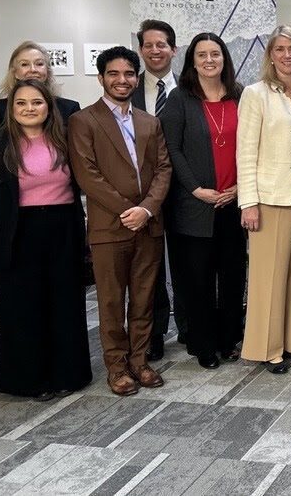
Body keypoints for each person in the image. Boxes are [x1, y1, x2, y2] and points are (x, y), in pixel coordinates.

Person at [0, 79, 92, 400]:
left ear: (49, 106)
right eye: (21, 103)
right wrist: (4, 216)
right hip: (17, 233)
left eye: (36, 102)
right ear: (11, 108)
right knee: (22, 309)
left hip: (63, 230)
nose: (29, 109)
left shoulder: (65, 139)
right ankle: (29, 380)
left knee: (65, 304)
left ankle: (68, 374)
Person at [68, 46, 172, 396]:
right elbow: (87, 175)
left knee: (143, 299)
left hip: (148, 225)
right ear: (101, 78)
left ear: (136, 78)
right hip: (110, 228)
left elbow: (163, 169)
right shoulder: (84, 121)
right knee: (112, 301)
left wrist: (147, 209)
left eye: (128, 74)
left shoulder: (149, 121)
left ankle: (139, 361)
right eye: (113, 73)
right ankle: (116, 366)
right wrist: (127, 210)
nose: (122, 80)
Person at [238, 25, 291, 373]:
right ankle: (268, 347)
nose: (288, 55)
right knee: (269, 270)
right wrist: (249, 202)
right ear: (270, 56)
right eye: (280, 49)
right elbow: (245, 151)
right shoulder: (255, 94)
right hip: (271, 189)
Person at [160, 33, 245, 370]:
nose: (209, 60)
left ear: (224, 58)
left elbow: (253, 143)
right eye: (202, 55)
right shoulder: (180, 99)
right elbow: (172, 148)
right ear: (191, 61)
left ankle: (229, 340)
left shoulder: (240, 95)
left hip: (234, 201)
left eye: (215, 54)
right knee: (197, 279)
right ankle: (203, 343)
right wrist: (196, 188)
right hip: (194, 205)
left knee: (233, 276)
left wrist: (240, 187)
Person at [131, 19, 183, 361]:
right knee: (147, 266)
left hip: (184, 191)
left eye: (161, 44)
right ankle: (153, 332)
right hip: (143, 194)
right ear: (141, 49)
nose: (155, 50)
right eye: (148, 45)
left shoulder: (189, 89)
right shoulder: (126, 89)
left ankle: (191, 325)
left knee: (184, 263)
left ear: (173, 49)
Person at [0, 41, 80, 133]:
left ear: (47, 70)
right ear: (15, 72)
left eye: (39, 64)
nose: (33, 69)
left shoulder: (69, 108)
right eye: (24, 64)